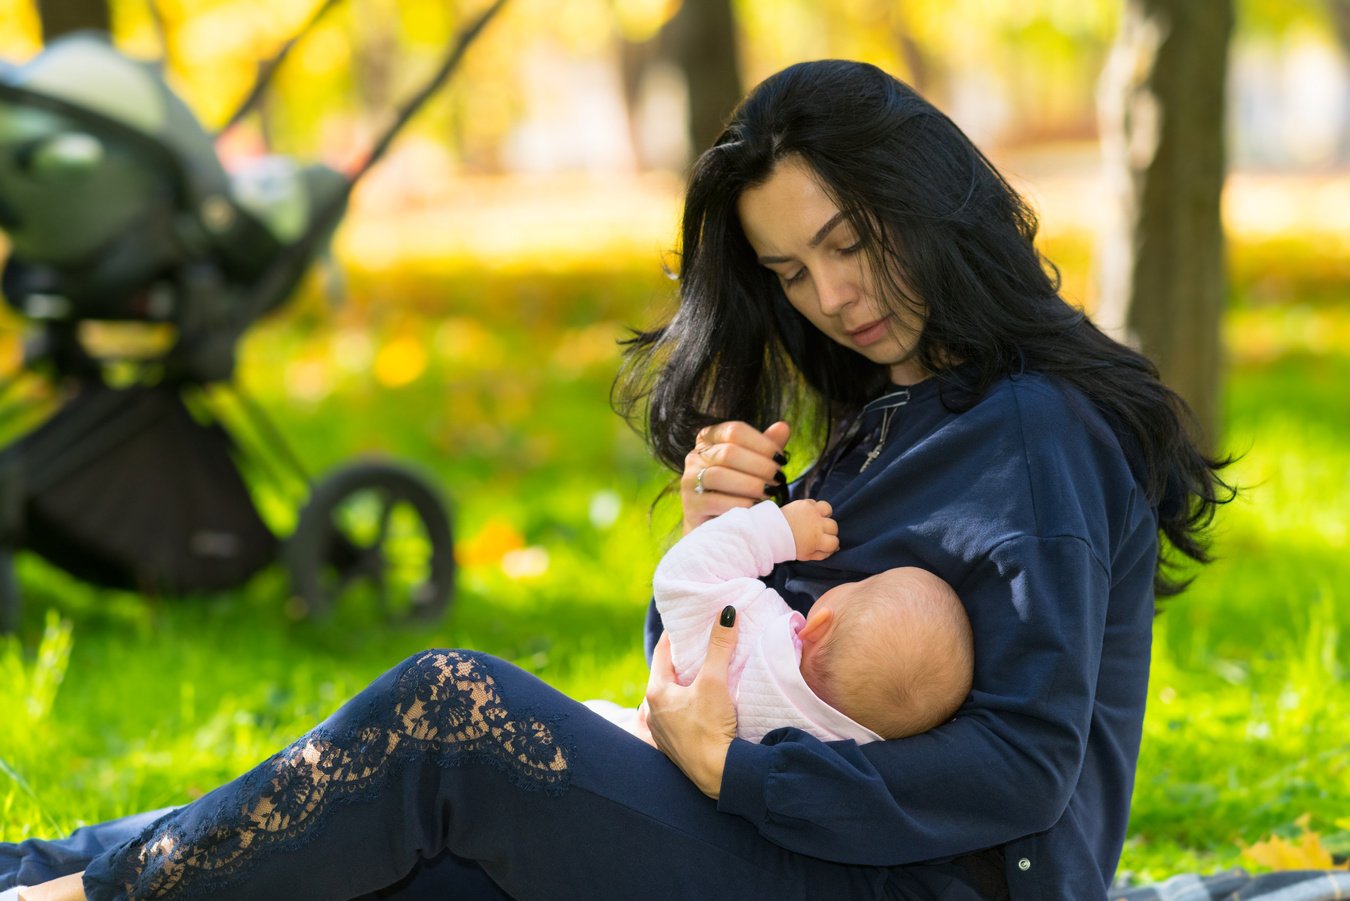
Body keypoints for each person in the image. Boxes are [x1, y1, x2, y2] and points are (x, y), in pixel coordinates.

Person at [2, 58, 1232, 901]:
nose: (833, 297)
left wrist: (739, 775)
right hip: (795, 835)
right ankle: (42, 863)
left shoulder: (1034, 427)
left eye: (851, 244)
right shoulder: (890, 419)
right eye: (792, 273)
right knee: (389, 859)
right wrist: (712, 544)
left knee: (449, 715)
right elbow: (743, 680)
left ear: (932, 202)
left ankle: (85, 890)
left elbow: (1023, 769)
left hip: (909, 880)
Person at [645, 496, 973, 744]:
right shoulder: (835, 751)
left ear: (817, 628)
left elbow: (680, 576)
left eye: (862, 585)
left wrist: (777, 533)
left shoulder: (752, 641)